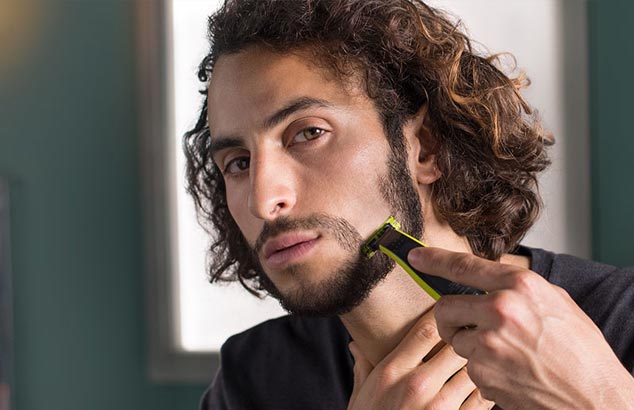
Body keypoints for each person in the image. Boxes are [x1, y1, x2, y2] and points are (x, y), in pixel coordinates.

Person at [183, 0, 634, 408]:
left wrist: (603, 399)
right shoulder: (256, 379)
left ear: (425, 148)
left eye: (309, 133)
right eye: (238, 162)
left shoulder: (621, 320)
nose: (264, 201)